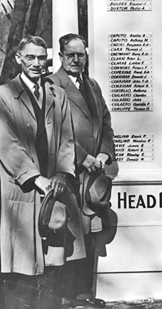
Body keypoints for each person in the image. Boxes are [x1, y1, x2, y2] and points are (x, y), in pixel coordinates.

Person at [0, 35, 85, 309]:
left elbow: (68, 140)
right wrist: (36, 178)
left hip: (55, 191)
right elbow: (7, 144)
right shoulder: (3, 94)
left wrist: (60, 175)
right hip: (24, 191)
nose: (36, 63)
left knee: (54, 268)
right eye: (29, 57)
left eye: (40, 57)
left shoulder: (58, 95)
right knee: (22, 270)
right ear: (18, 59)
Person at [47, 33, 115, 308]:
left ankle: (84, 294)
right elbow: (55, 129)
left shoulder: (93, 86)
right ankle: (64, 296)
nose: (76, 59)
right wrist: (82, 157)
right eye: (71, 54)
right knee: (69, 233)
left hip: (94, 175)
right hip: (68, 172)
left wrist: (104, 153)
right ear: (61, 57)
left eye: (81, 54)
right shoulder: (52, 84)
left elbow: (106, 123)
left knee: (92, 233)